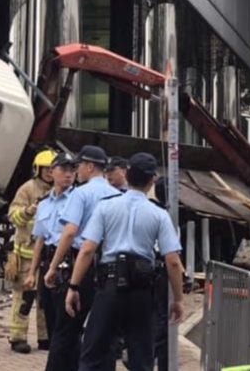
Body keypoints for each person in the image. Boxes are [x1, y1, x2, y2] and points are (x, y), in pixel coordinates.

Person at [66, 153, 185, 371]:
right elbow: (173, 261)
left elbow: (88, 250)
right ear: (152, 181)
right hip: (141, 291)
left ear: (127, 175)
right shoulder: (159, 215)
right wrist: (177, 299)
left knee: (93, 353)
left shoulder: (106, 207)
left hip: (109, 287)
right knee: (142, 357)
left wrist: (73, 286)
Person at [43, 146, 120, 371]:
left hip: (82, 265)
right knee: (104, 331)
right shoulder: (117, 195)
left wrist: (53, 267)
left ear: (89, 166)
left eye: (78, 166)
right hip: (111, 268)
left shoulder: (81, 193)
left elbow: (69, 232)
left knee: (66, 329)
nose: (76, 171)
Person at [25, 152, 78, 351]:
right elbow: (40, 239)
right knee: (51, 320)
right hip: (49, 262)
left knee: (68, 323)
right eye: (64, 169)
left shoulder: (77, 199)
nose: (69, 174)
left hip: (70, 262)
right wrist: (32, 273)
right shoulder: (45, 203)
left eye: (72, 169)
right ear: (52, 172)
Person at [6, 149, 56, 353]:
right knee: (24, 298)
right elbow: (13, 216)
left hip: (47, 255)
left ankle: (45, 338)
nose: (50, 173)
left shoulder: (60, 191)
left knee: (45, 299)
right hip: (25, 255)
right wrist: (28, 211)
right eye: (46, 169)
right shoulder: (28, 189)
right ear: (38, 169)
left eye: (53, 169)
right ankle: (17, 337)